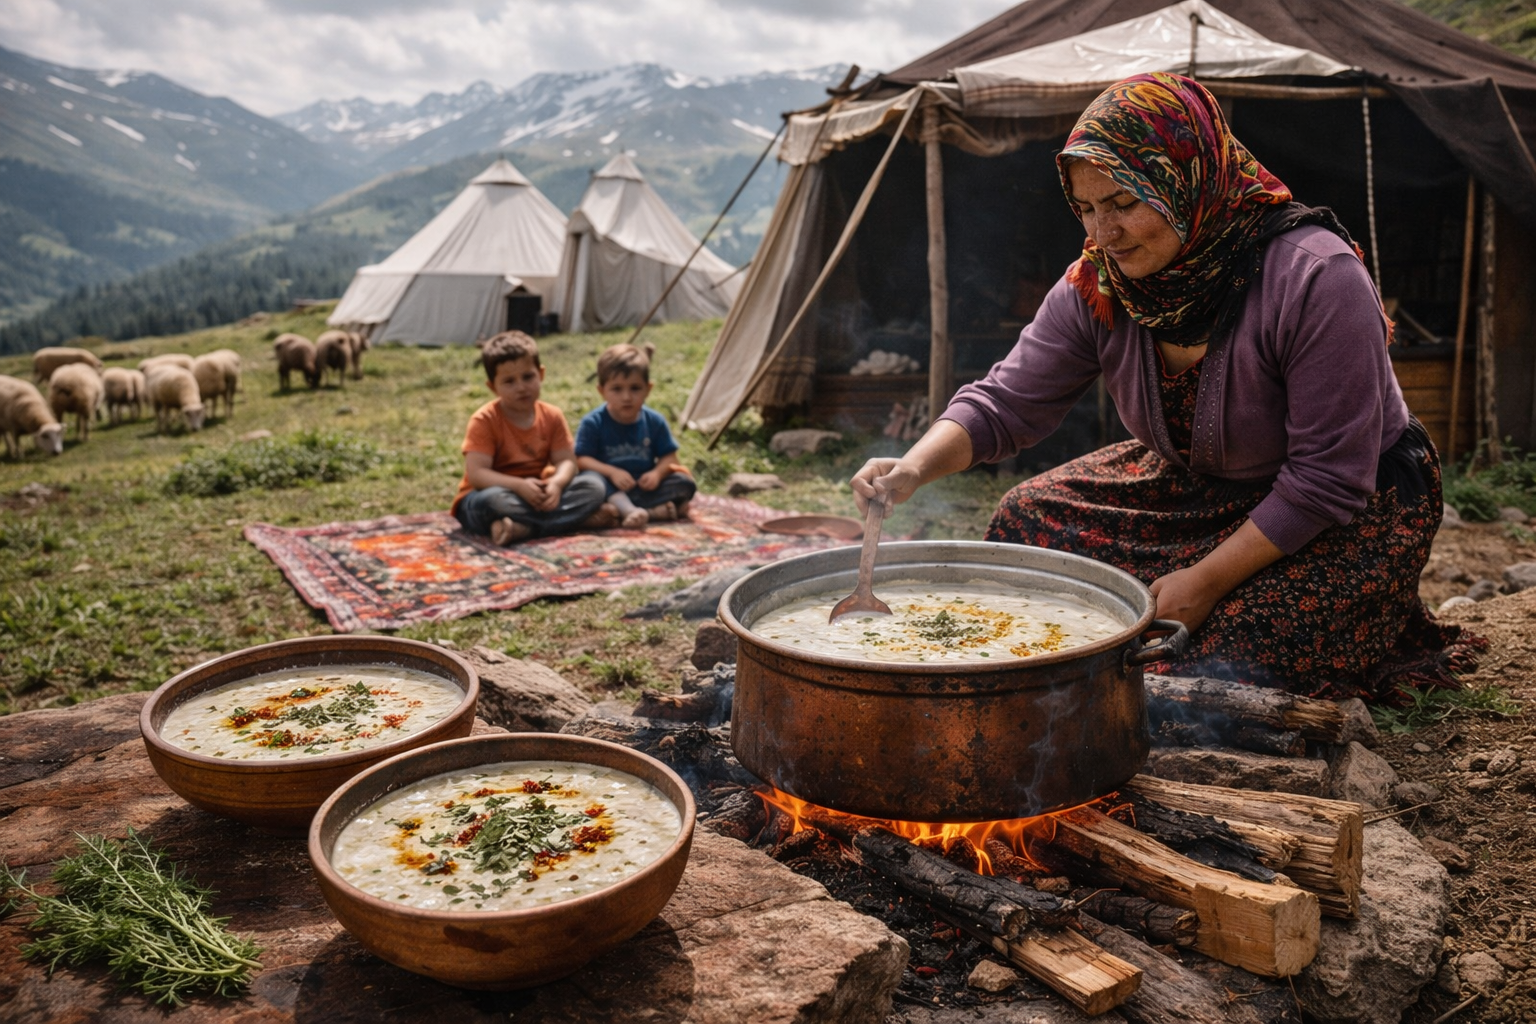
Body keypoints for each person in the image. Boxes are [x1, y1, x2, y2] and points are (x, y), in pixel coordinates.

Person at [852, 72, 1480, 700]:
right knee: (1024, 523)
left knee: (1223, 663)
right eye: (1088, 208)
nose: (1104, 233)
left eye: (1124, 203)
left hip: (1347, 502)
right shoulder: (1100, 284)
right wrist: (912, 469)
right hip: (1194, 482)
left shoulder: (1317, 278)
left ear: (1186, 178)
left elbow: (1328, 478)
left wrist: (1203, 582)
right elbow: (1005, 402)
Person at [452, 331, 612, 545]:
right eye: (509, 381)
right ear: (492, 386)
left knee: (595, 485)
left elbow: (567, 461)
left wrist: (556, 483)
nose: (521, 387)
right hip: (496, 494)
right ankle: (574, 522)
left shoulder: (552, 415)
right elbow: (477, 475)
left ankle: (524, 529)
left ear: (541, 373)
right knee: (493, 501)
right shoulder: (485, 419)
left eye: (528, 377)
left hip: (539, 494)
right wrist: (518, 486)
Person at [575, 342, 696, 528]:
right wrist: (612, 472)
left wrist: (656, 473)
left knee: (684, 482)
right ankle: (640, 511)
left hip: (642, 487)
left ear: (648, 389)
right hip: (610, 487)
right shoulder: (593, 422)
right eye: (617, 389)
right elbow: (582, 460)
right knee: (593, 483)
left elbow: (670, 458)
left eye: (635, 388)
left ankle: (633, 513)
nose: (626, 397)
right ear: (602, 391)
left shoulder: (655, 421)